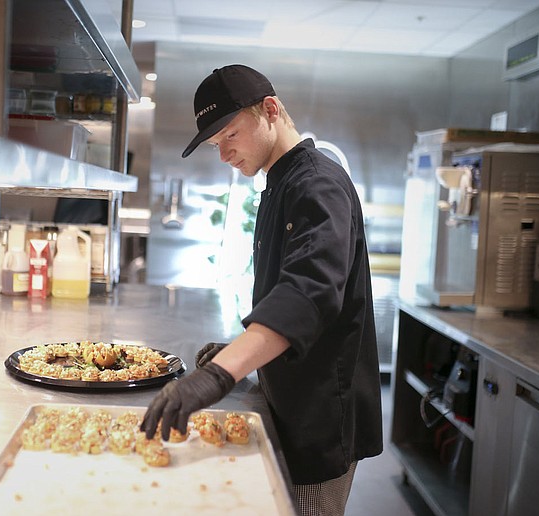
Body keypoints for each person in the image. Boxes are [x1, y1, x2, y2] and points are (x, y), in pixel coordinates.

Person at [140, 64, 383, 516]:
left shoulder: (318, 184)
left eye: (229, 135)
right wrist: (244, 350)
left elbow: (308, 295)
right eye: (216, 145)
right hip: (290, 403)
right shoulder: (281, 180)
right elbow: (284, 292)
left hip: (319, 418)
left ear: (271, 110)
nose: (225, 154)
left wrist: (218, 375)